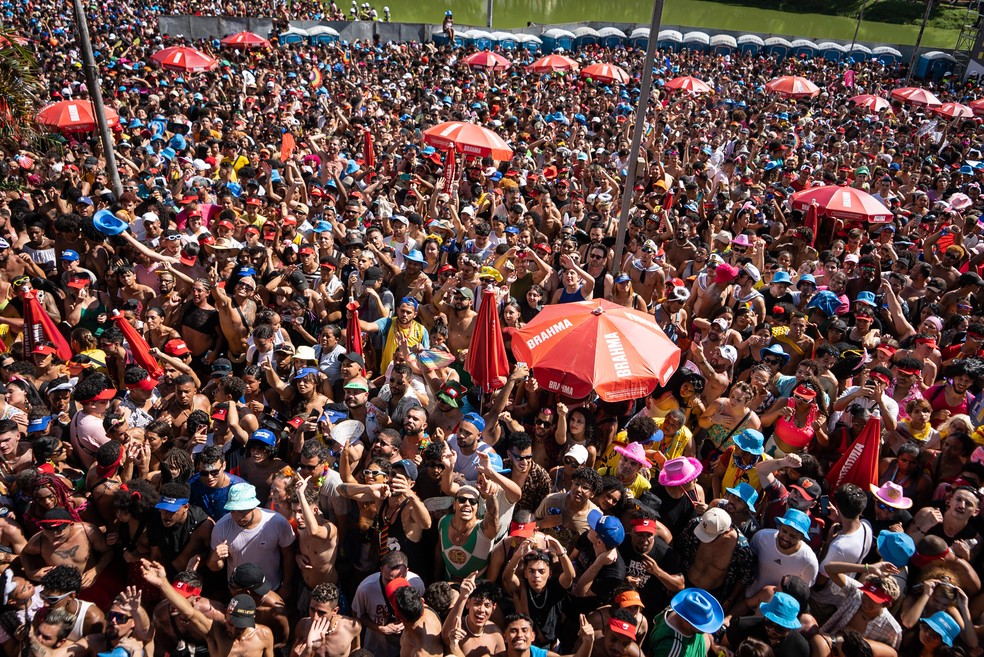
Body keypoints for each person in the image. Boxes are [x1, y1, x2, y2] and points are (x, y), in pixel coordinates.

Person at [141, 559, 275, 657]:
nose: (233, 630)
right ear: (226, 615)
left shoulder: (264, 635)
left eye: (240, 626)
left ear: (252, 619)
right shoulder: (215, 631)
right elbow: (189, 612)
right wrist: (162, 583)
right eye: (230, 623)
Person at [208, 483, 296, 596]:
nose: (238, 517)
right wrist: (214, 558)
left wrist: (287, 585)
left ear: (253, 506)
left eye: (243, 511)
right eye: (233, 511)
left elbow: (288, 555)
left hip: (271, 591)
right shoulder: (221, 527)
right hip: (238, 593)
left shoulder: (278, 522)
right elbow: (214, 567)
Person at [644, 588, 725, 657]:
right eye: (702, 626)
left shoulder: (679, 610)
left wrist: (715, 646)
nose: (706, 630)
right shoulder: (672, 648)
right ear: (688, 621)